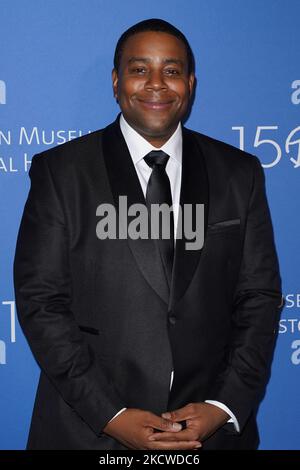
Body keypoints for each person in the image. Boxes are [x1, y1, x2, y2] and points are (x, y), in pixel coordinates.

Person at [13, 18, 283, 450]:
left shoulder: (239, 173)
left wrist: (224, 405)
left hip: (207, 435)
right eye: (140, 70)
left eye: (172, 71)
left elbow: (259, 298)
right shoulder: (62, 172)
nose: (157, 84)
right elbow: (41, 302)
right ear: (117, 81)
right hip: (89, 432)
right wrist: (110, 415)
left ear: (190, 83)